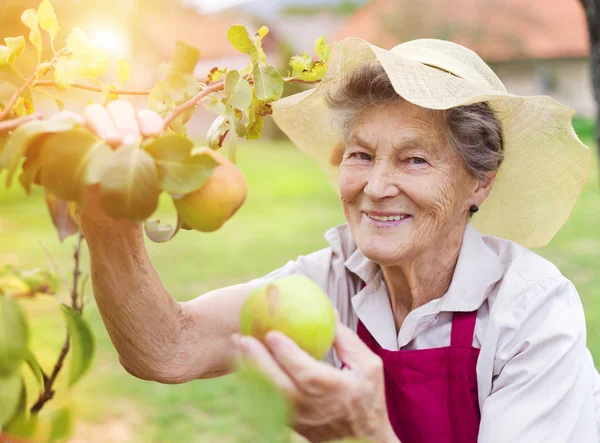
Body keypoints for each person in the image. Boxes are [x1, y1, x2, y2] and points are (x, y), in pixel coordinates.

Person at [78, 38, 599, 442]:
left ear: (479, 182)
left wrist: (364, 435)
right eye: (361, 154)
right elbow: (167, 349)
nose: (375, 188)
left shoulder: (531, 313)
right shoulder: (331, 280)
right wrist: (107, 215)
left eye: (415, 159)